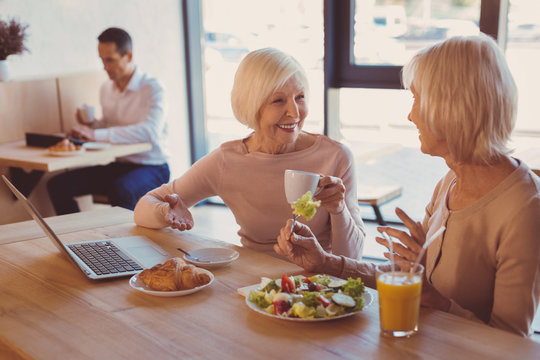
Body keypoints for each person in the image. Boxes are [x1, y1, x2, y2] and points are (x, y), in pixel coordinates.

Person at [274, 34, 540, 337]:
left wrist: (433, 299)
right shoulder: (451, 181)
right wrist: (325, 262)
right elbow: (407, 279)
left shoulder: (525, 208)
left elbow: (513, 343)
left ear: (450, 106)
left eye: (416, 98)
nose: (410, 115)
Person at [134, 48, 365, 259]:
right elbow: (144, 208)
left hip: (318, 285)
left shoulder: (336, 157)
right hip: (253, 285)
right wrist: (166, 211)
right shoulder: (227, 161)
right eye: (278, 100)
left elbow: (352, 258)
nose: (294, 112)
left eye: (300, 97)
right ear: (252, 105)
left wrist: (338, 209)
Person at [47, 27, 170, 214]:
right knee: (58, 185)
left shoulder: (153, 88)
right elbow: (109, 126)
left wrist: (95, 134)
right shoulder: (106, 88)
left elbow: (150, 132)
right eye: (102, 60)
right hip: (120, 165)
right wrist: (89, 126)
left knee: (121, 190)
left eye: (110, 60)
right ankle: (79, 238)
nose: (104, 66)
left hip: (152, 166)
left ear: (128, 56)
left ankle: (124, 242)